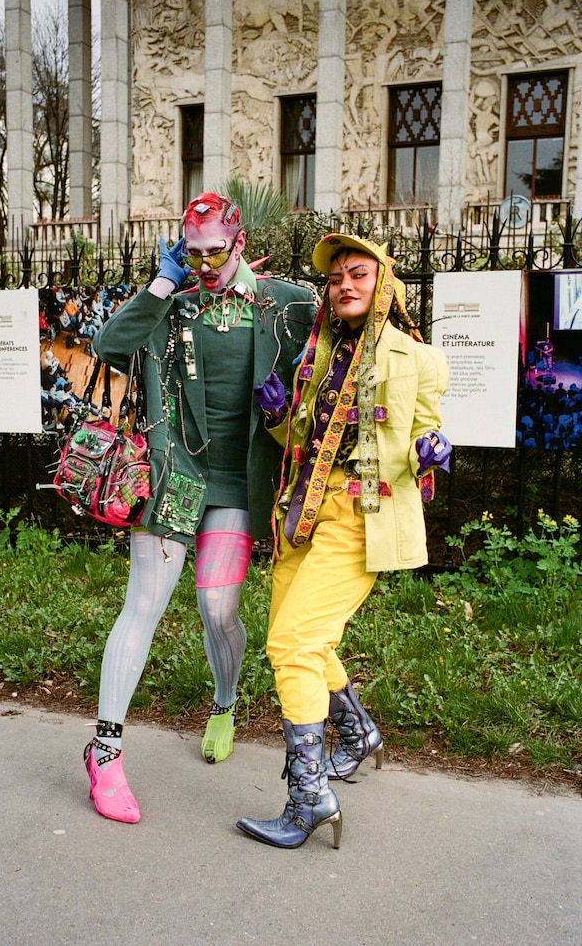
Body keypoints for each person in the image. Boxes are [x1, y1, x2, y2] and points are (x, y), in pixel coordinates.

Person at [85, 192, 317, 823]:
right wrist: (161, 282)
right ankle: (103, 752)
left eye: (216, 251)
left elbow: (337, 361)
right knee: (144, 606)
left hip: (237, 485)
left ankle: (224, 701)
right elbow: (109, 344)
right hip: (175, 479)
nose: (206, 265)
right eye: (194, 254)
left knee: (218, 607)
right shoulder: (172, 305)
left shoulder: (287, 303)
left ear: (239, 243)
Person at [236, 234, 451, 849]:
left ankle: (308, 798)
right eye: (335, 279)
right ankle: (357, 733)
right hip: (303, 513)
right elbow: (303, 444)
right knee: (302, 634)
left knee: (293, 645)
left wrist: (429, 449)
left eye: (358, 274)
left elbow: (424, 435)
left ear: (383, 283)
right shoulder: (319, 354)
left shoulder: (417, 358)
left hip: (361, 517)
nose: (345, 285)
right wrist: (280, 418)